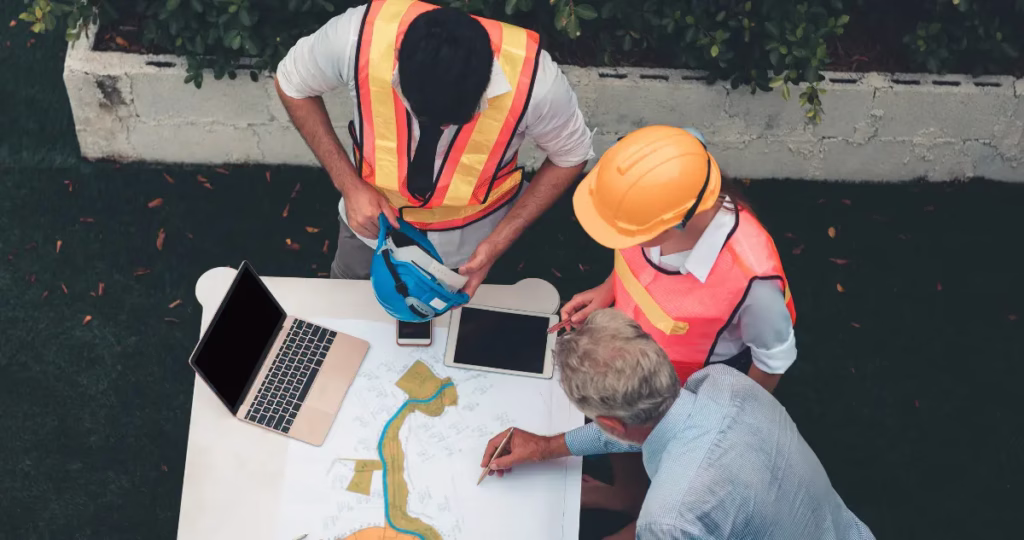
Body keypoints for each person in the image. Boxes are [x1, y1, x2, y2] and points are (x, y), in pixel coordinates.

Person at [275, 0, 593, 295]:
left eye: (455, 119)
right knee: (347, 308)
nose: (439, 128)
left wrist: (498, 243)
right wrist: (349, 186)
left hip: (475, 243)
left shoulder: (537, 82)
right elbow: (291, 83)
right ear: (398, 57)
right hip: (371, 232)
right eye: (424, 116)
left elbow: (571, 155)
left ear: (489, 75)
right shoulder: (357, 38)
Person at [481, 309, 874, 540]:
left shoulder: (670, 517)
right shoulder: (724, 382)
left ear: (609, 424)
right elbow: (656, 423)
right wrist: (548, 446)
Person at [560, 125, 796, 393]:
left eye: (626, 232)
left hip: (693, 385)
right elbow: (633, 262)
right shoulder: (651, 208)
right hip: (640, 359)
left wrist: (731, 416)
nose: (622, 239)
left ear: (675, 223)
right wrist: (606, 290)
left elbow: (773, 361)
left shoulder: (754, 282)